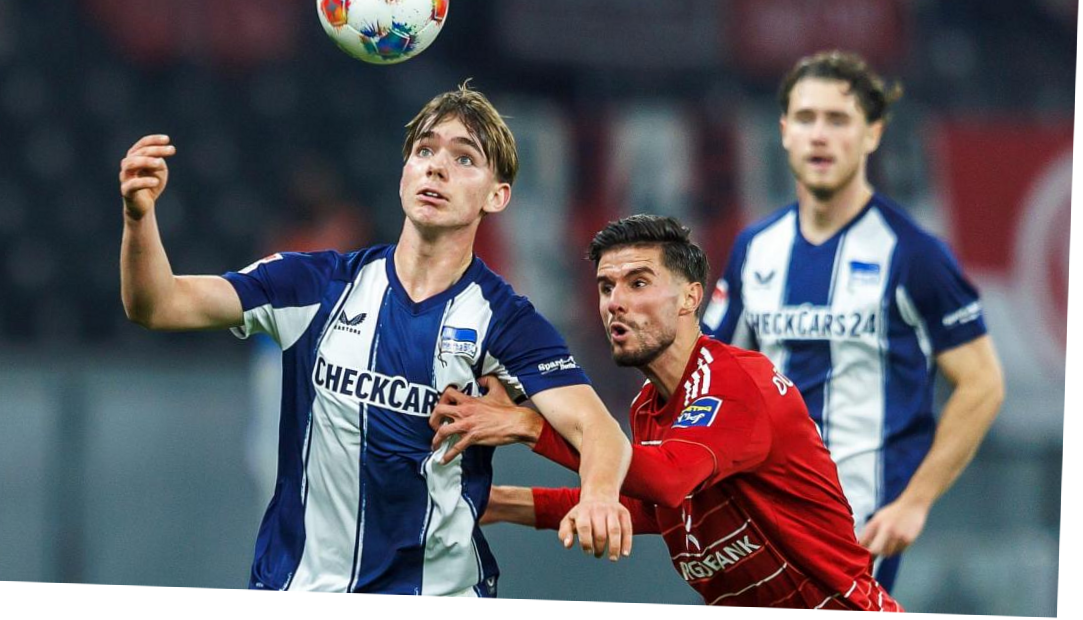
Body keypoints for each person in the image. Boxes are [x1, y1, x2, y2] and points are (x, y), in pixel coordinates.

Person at [118, 82, 632, 596]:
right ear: (404, 173)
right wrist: (138, 218)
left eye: (464, 158)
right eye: (425, 151)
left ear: (496, 196)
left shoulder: (505, 321)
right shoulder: (314, 284)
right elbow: (158, 305)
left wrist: (599, 496)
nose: (437, 168)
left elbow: (598, 430)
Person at [431, 215, 903, 610]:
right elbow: (653, 508)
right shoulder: (647, 408)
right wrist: (500, 504)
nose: (615, 303)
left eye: (638, 283)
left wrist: (529, 425)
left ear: (690, 298)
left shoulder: (738, 382)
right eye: (606, 287)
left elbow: (667, 480)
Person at [701, 50, 1005, 589]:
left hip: (854, 525)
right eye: (806, 118)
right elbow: (707, 371)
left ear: (873, 134)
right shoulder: (755, 248)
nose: (820, 135)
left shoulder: (913, 255)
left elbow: (982, 384)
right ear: (784, 131)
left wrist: (915, 501)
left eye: (838, 120)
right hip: (758, 519)